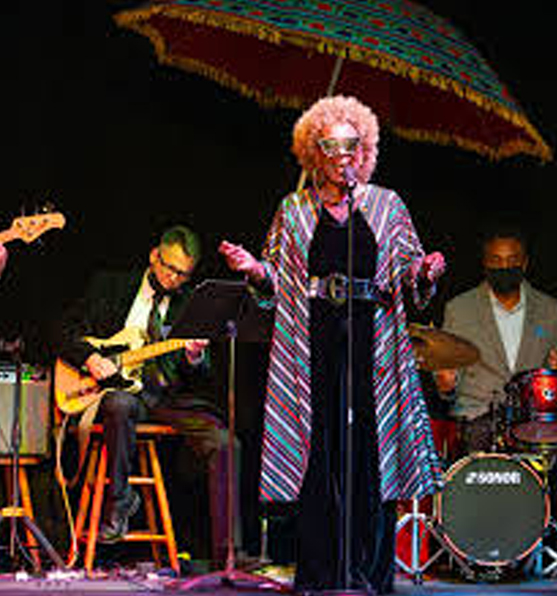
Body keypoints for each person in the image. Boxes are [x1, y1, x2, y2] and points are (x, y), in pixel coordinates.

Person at [219, 95, 444, 594]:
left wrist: (424, 271)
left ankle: (368, 574)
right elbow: (275, 280)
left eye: (352, 145)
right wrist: (254, 270)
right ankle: (320, 575)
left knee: (371, 455)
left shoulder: (387, 205)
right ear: (313, 153)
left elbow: (409, 272)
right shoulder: (293, 209)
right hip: (312, 340)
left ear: (365, 150)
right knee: (317, 454)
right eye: (332, 146)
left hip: (372, 340)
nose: (344, 156)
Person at [57, 225, 238, 561]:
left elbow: (201, 377)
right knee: (119, 403)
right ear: (154, 256)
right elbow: (61, 330)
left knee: (225, 443)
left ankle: (228, 553)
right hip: (121, 394)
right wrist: (91, 358)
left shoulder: (191, 304)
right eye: (169, 268)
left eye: (182, 274)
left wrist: (194, 357)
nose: (173, 278)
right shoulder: (110, 286)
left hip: (166, 398)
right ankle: (120, 501)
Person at [436, 224, 557, 454]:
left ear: (525, 263)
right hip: (475, 422)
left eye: (512, 260)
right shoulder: (458, 309)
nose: (504, 266)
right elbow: (446, 377)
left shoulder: (549, 309)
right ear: (485, 264)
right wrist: (446, 384)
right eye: (496, 260)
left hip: (532, 425)